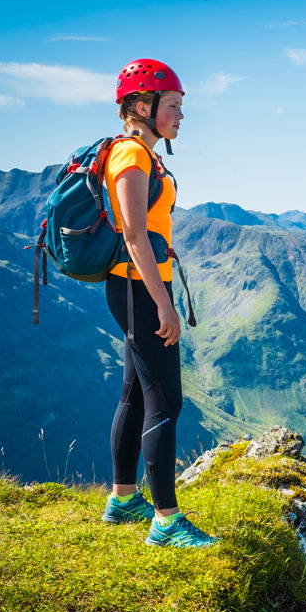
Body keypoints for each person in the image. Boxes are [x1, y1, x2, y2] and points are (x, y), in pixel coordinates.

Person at [99, 58, 218, 548]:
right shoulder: (130, 157)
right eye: (174, 105)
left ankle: (123, 499)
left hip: (138, 288)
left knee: (133, 393)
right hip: (139, 289)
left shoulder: (143, 154)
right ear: (143, 106)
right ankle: (166, 522)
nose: (180, 116)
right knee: (165, 400)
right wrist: (163, 304)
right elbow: (132, 235)